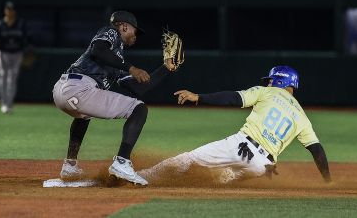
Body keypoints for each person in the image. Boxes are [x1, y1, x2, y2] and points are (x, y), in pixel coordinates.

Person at [139, 66, 331, 184]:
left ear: (280, 80)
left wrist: (199, 97)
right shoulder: (302, 116)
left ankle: (141, 176)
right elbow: (317, 151)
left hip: (241, 147)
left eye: (271, 80)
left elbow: (233, 98)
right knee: (221, 178)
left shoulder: (267, 92)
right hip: (263, 168)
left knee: (187, 159)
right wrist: (328, 181)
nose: (269, 83)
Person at [52, 10, 177, 186]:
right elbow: (98, 50)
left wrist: (167, 67)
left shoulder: (115, 60)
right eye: (135, 31)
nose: (136, 36)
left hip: (64, 91)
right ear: (124, 26)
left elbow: (138, 88)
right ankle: (121, 162)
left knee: (84, 115)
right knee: (139, 108)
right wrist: (132, 68)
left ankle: (70, 165)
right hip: (78, 88)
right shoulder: (111, 32)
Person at [0, 1, 29, 114]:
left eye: (11, 9)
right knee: (3, 76)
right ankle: (4, 103)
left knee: (12, 78)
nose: (10, 11)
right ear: (5, 11)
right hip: (3, 53)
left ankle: (9, 104)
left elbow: (26, 41)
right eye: (8, 9)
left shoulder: (21, 23)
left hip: (17, 53)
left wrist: (26, 53)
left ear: (14, 11)